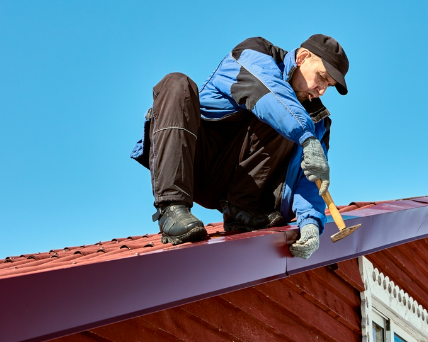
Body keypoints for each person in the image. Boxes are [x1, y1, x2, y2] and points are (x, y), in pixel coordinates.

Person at [131, 34, 349, 259]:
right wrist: (306, 136)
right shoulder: (254, 54)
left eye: (328, 86)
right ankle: (172, 209)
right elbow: (267, 91)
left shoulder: (313, 119)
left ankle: (243, 210)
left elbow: (308, 176)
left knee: (293, 116)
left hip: (242, 188)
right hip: (193, 162)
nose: (321, 90)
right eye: (321, 78)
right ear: (303, 57)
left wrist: (311, 223)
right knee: (176, 82)